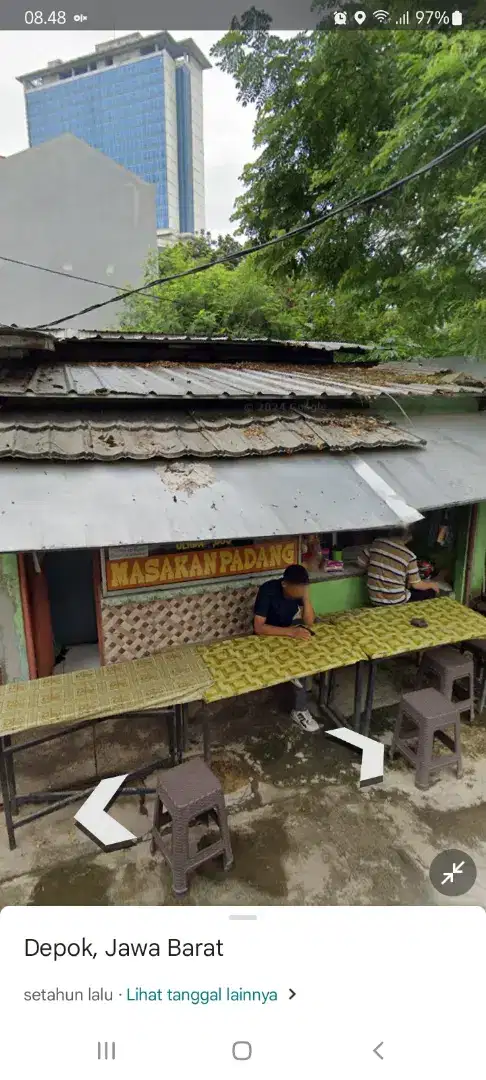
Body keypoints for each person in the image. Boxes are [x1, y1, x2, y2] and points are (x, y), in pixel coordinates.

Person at [253, 563, 319, 733]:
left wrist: (305, 597)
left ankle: (299, 708)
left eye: (303, 588)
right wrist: (291, 632)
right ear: (284, 584)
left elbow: (310, 621)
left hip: (287, 633)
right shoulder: (268, 590)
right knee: (298, 666)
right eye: (297, 588)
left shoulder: (298, 592)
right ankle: (300, 710)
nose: (299, 592)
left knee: (307, 653)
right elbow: (259, 628)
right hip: (266, 636)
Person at [357, 527, 441, 606]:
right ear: (409, 536)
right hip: (396, 601)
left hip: (375, 599)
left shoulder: (377, 543)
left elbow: (361, 562)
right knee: (430, 591)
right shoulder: (409, 555)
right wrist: (431, 585)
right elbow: (417, 585)